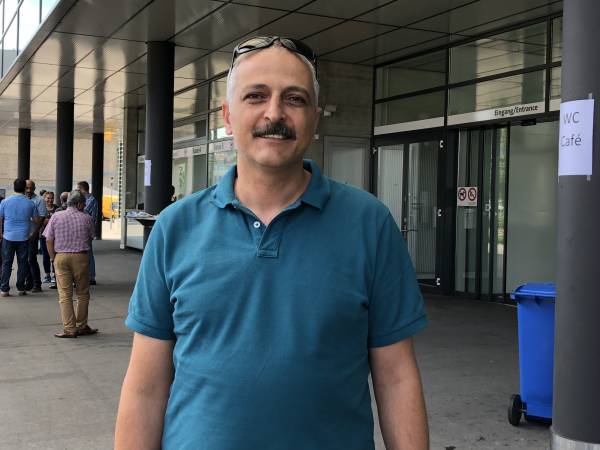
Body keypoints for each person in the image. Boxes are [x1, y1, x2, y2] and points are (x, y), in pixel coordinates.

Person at [115, 36, 429, 450]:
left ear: (315, 118)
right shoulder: (176, 227)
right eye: (256, 96)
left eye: (295, 99)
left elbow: (397, 377)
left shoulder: (369, 224)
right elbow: (145, 387)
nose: (275, 113)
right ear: (228, 115)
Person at [43, 190, 97, 338]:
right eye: (83, 204)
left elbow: (48, 240)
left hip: (61, 257)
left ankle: (69, 329)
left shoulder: (56, 216)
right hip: (81, 257)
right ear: (78, 204)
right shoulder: (87, 218)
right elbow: (91, 238)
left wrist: (53, 258)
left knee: (65, 295)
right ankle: (82, 325)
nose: (84, 206)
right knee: (83, 293)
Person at [0, 178, 39, 297]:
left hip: (8, 236)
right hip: (23, 237)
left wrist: (0, 233)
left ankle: (4, 289)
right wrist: (32, 233)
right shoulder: (30, 203)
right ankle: (21, 288)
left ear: (14, 187)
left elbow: (0, 219)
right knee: (22, 263)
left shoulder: (5, 201)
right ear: (24, 188)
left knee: (6, 263)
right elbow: (37, 221)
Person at [24, 179, 46, 292]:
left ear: (34, 188)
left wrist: (34, 233)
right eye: (27, 188)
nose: (29, 190)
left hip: (32, 233)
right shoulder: (22, 198)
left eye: (31, 188)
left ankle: (37, 284)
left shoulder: (39, 200)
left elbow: (42, 218)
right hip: (22, 234)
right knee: (24, 259)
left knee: (31, 259)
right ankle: (29, 282)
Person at [76, 181, 98, 285]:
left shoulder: (91, 200)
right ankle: (88, 275)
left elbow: (83, 211)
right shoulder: (87, 199)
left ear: (82, 189)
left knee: (88, 253)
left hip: (88, 230)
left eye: (78, 189)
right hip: (86, 229)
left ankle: (91, 277)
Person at [40, 191, 58, 283]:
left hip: (55, 236)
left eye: (52, 198)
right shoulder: (41, 208)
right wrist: (42, 222)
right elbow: (36, 220)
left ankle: (55, 275)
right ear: (44, 198)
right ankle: (47, 275)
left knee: (54, 256)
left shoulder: (57, 209)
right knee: (45, 256)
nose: (50, 200)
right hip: (43, 236)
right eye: (48, 198)